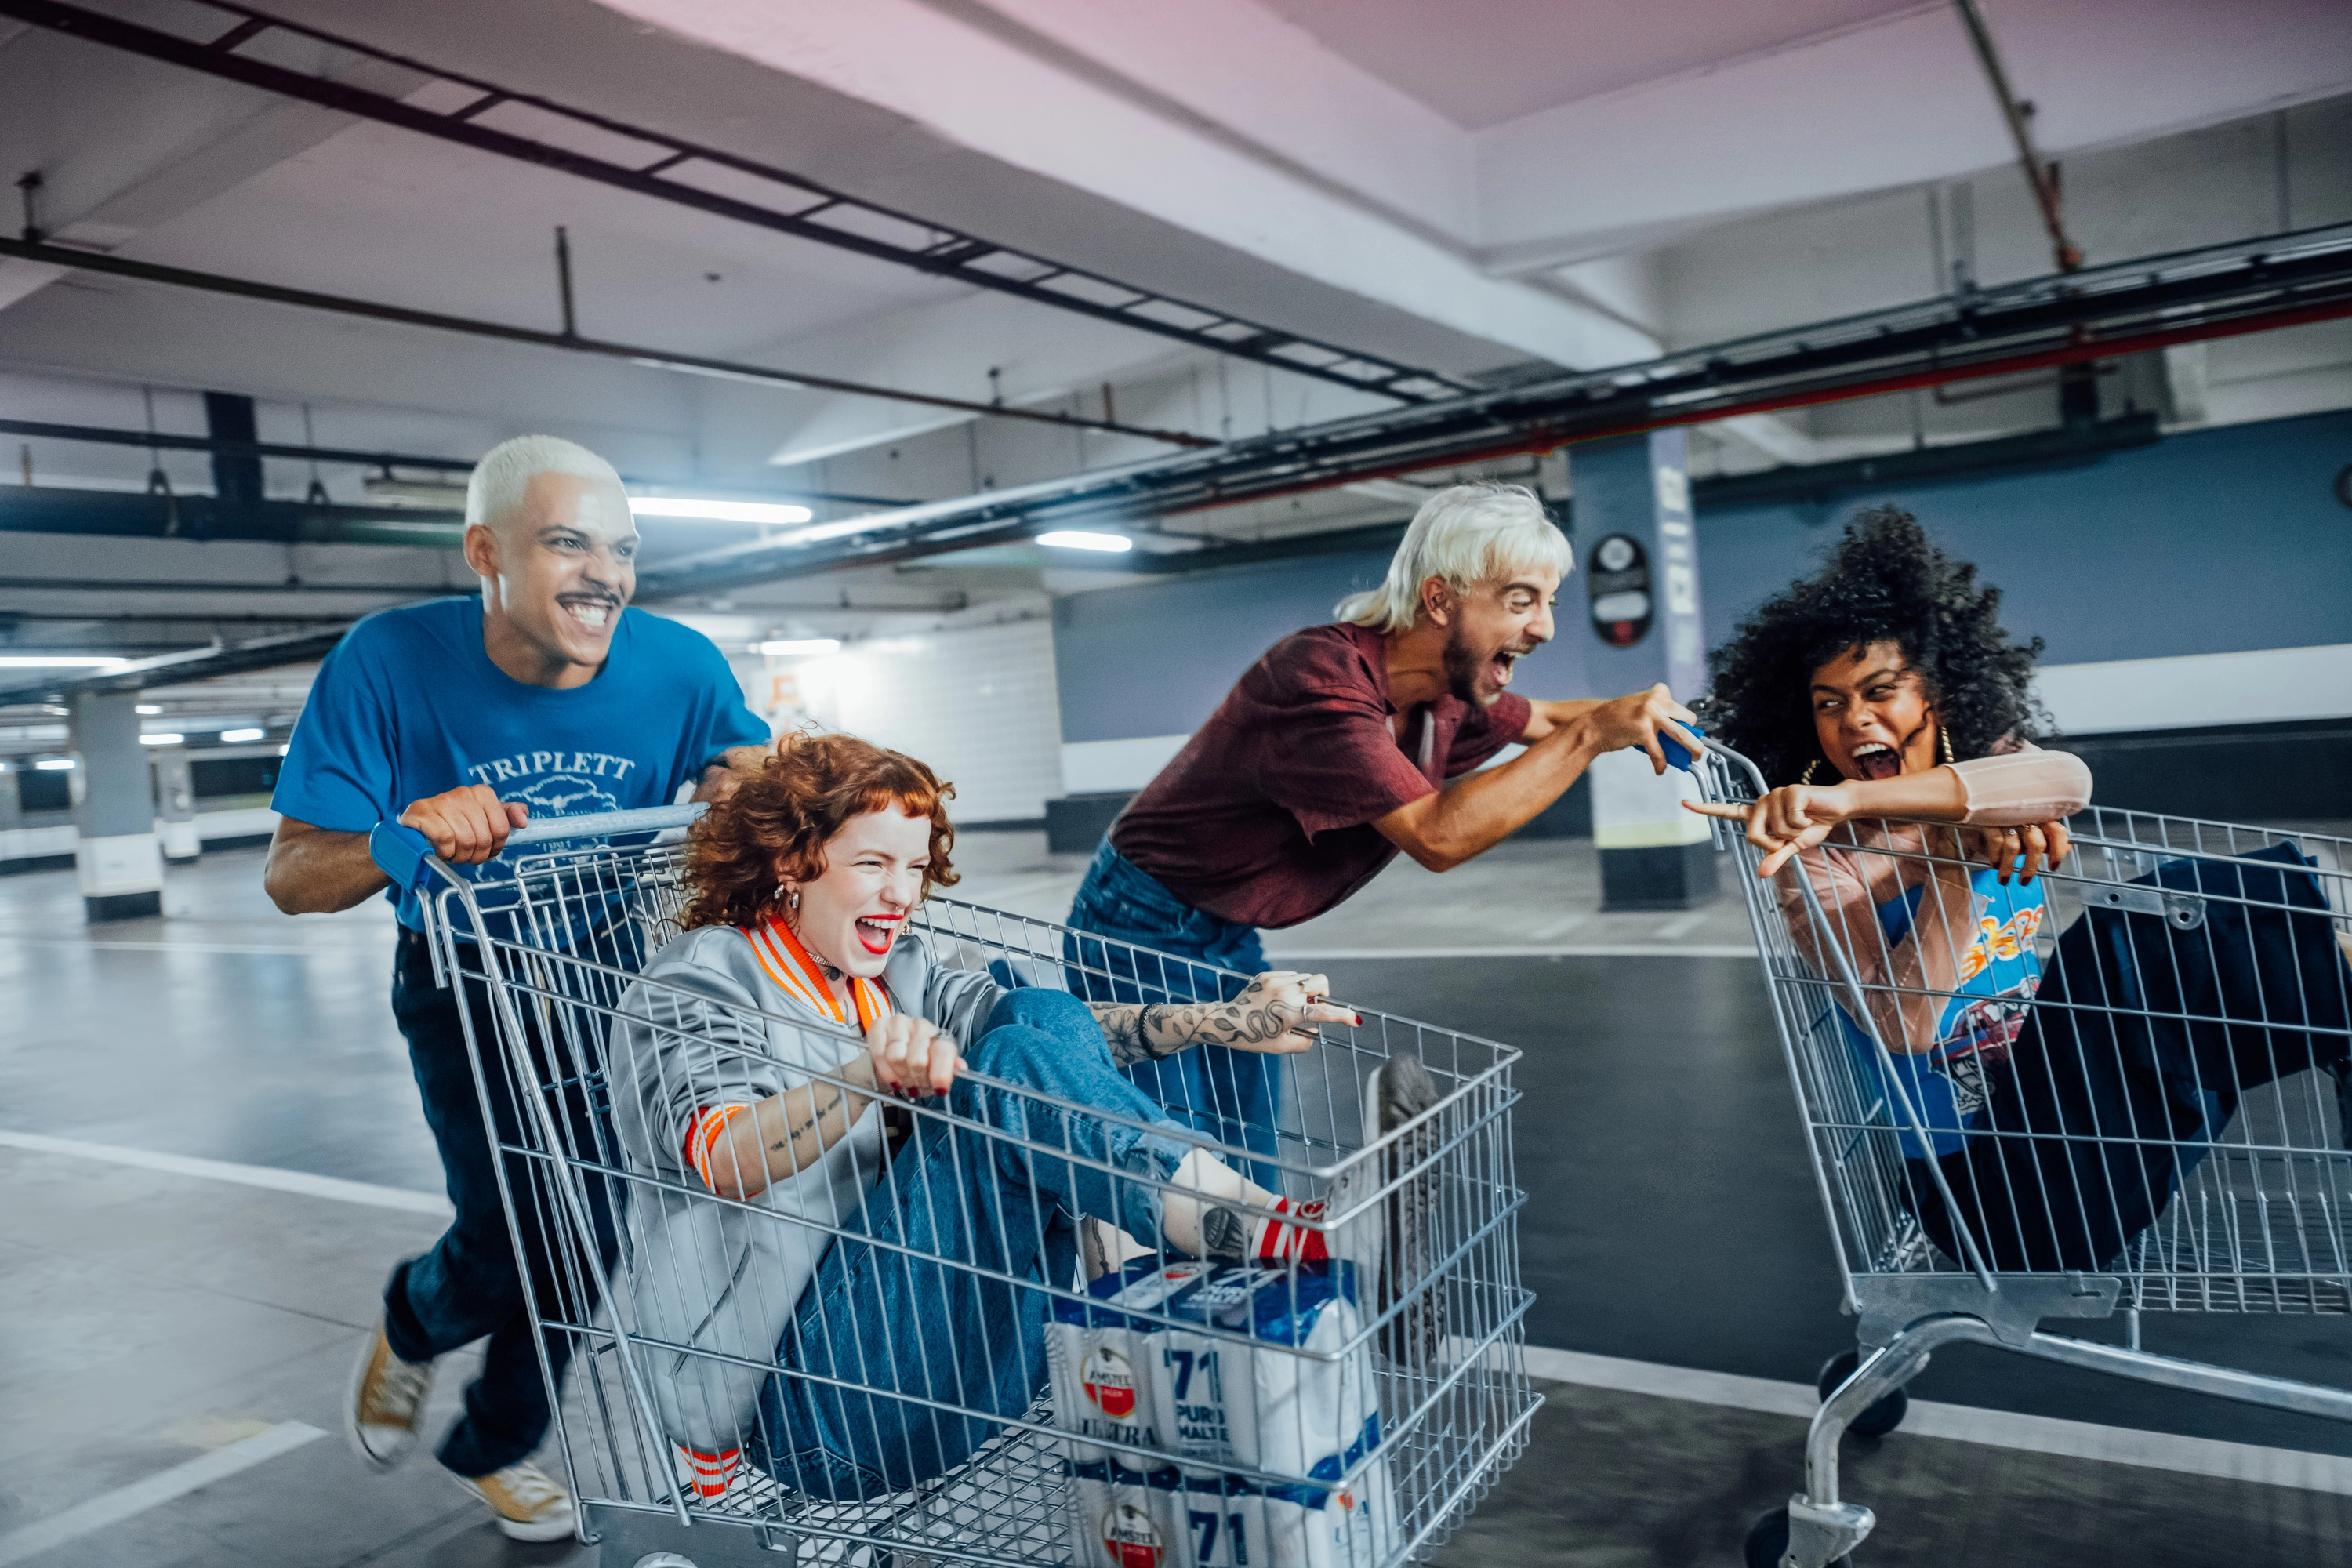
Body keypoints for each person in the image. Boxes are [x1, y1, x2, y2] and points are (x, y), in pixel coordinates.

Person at [606, 732, 1433, 1497]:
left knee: (1038, 1017)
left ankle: (1209, 1258)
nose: (902, 896)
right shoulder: (701, 979)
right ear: (794, 858)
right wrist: (862, 1075)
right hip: (814, 1411)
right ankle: (1298, 1242)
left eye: (916, 868)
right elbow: (723, 1154)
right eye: (872, 864)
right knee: (1008, 1058)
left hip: (961, 1365)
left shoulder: (900, 969)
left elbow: (1055, 1046)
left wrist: (1216, 1022)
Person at [263, 434, 774, 1540]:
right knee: (503, 1241)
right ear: (484, 551)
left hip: (606, 978)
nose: (606, 574)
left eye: (623, 549)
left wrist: (743, 784)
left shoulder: (679, 665)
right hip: (464, 982)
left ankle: (492, 1444)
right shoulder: (386, 662)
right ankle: (414, 1316)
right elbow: (293, 875)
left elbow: (743, 764)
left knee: (589, 1240)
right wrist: (401, 839)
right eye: (567, 542)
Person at [1692, 506, 2352, 1272]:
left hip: (2094, 1134)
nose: (1854, 718)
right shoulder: (1821, 862)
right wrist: (1948, 861)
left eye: (1881, 691)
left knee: (2165, 925)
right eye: (1829, 704)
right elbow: (1905, 1028)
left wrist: (1868, 800)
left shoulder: (1988, 781)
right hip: (1992, 1193)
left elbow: (2069, 779)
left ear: (1939, 695)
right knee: (2129, 934)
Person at [1070, 481, 1701, 1177]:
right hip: (1138, 925)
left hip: (1225, 926)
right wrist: (1592, 736)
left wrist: (1652, 715)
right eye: (1521, 601)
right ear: (1440, 599)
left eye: (1547, 603)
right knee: (1179, 1166)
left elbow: (1547, 720)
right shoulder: (1319, 678)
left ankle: (1253, 1275)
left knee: (1244, 1156)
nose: (1545, 626)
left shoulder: (1447, 694)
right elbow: (1437, 836)